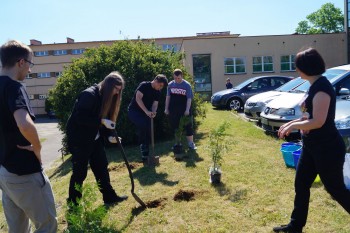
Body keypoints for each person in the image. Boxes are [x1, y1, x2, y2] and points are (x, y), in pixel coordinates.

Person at [273, 48, 350, 233]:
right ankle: (295, 226)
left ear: (306, 67)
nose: (296, 70)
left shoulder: (323, 88)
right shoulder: (313, 85)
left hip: (327, 149)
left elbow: (318, 121)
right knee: (301, 184)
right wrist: (290, 123)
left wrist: (292, 127)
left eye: (298, 66)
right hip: (311, 147)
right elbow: (309, 116)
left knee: (335, 188)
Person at [0, 40, 57, 232]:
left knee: (17, 229)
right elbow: (24, 124)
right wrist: (37, 148)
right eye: (31, 64)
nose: (30, 71)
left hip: (4, 173)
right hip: (24, 172)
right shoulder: (14, 87)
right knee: (46, 225)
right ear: (21, 62)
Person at [66, 71, 128, 206]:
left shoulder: (105, 97)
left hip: (95, 139)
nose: (117, 93)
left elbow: (103, 121)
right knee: (79, 173)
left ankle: (109, 197)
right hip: (79, 140)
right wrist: (101, 122)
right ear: (108, 85)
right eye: (116, 89)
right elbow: (80, 118)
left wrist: (110, 136)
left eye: (119, 90)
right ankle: (73, 204)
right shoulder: (89, 95)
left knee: (101, 168)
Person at [128, 74, 168, 162]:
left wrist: (153, 112)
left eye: (162, 87)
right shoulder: (144, 85)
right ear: (156, 81)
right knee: (143, 124)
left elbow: (155, 104)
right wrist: (146, 111)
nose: (160, 88)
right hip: (134, 111)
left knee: (148, 128)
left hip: (145, 112)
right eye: (160, 85)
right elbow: (138, 99)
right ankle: (142, 145)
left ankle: (145, 153)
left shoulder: (157, 92)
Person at [165, 69, 196, 150]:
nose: (177, 80)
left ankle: (191, 144)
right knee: (176, 127)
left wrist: (187, 110)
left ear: (182, 76)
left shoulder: (187, 85)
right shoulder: (170, 85)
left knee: (188, 126)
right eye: (175, 78)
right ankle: (178, 143)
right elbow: (168, 97)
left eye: (178, 78)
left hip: (184, 109)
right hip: (173, 109)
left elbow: (189, 99)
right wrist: (166, 108)